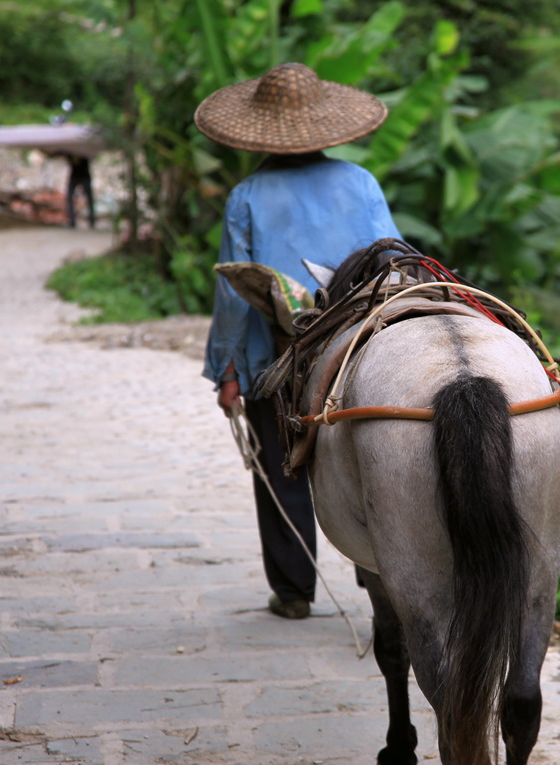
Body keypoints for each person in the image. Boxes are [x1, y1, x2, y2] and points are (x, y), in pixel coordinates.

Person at [194, 62, 401, 619]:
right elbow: (393, 259)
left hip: (278, 356)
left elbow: (236, 293)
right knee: (366, 465)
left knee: (282, 470)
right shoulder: (361, 183)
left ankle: (292, 592)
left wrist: (228, 371)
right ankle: (379, 578)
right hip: (358, 344)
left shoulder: (247, 194)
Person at [65, 154, 95, 229]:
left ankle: (92, 220)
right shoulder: (70, 152)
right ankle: (72, 221)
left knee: (89, 199)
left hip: (84, 176)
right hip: (75, 176)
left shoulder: (84, 151)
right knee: (69, 198)